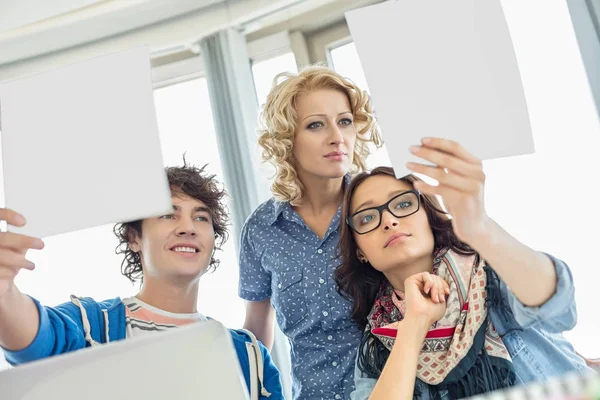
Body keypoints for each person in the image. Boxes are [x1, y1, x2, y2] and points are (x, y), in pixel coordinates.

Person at [334, 138, 592, 399]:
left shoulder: (489, 272)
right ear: (360, 252)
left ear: (428, 215)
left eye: (402, 204)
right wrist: (415, 322)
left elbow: (558, 310)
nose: (388, 220)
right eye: (367, 217)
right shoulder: (376, 345)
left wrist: (481, 229)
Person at [0, 163, 283, 400]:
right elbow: (36, 340)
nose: (188, 227)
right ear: (134, 238)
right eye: (168, 215)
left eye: (201, 218)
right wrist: (4, 292)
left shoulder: (249, 355)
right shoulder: (91, 325)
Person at [239, 65, 383, 400]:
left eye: (344, 121)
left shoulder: (381, 205)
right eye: (316, 124)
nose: (337, 136)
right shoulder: (261, 229)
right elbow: (256, 337)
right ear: (287, 140)